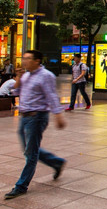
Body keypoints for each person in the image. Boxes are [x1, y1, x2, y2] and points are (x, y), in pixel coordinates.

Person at [4, 50, 67, 200]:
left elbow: (51, 96)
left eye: (27, 58)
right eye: (23, 58)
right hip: (24, 117)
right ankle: (56, 162)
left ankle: (21, 186)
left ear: (37, 61)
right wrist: (18, 77)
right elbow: (16, 91)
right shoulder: (26, 75)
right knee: (29, 149)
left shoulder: (46, 76)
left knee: (30, 154)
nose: (24, 61)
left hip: (37, 117)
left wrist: (58, 115)